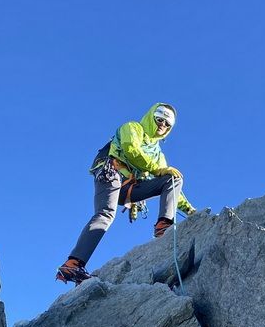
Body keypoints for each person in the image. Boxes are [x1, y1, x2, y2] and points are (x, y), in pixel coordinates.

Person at [56, 103, 196, 284]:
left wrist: (190, 211)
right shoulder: (133, 128)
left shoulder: (157, 154)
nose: (162, 124)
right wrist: (156, 169)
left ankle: (164, 226)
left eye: (167, 124)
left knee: (173, 179)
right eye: (159, 118)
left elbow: (172, 189)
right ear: (151, 116)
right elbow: (131, 150)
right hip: (111, 173)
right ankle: (73, 264)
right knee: (105, 214)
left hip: (128, 188)